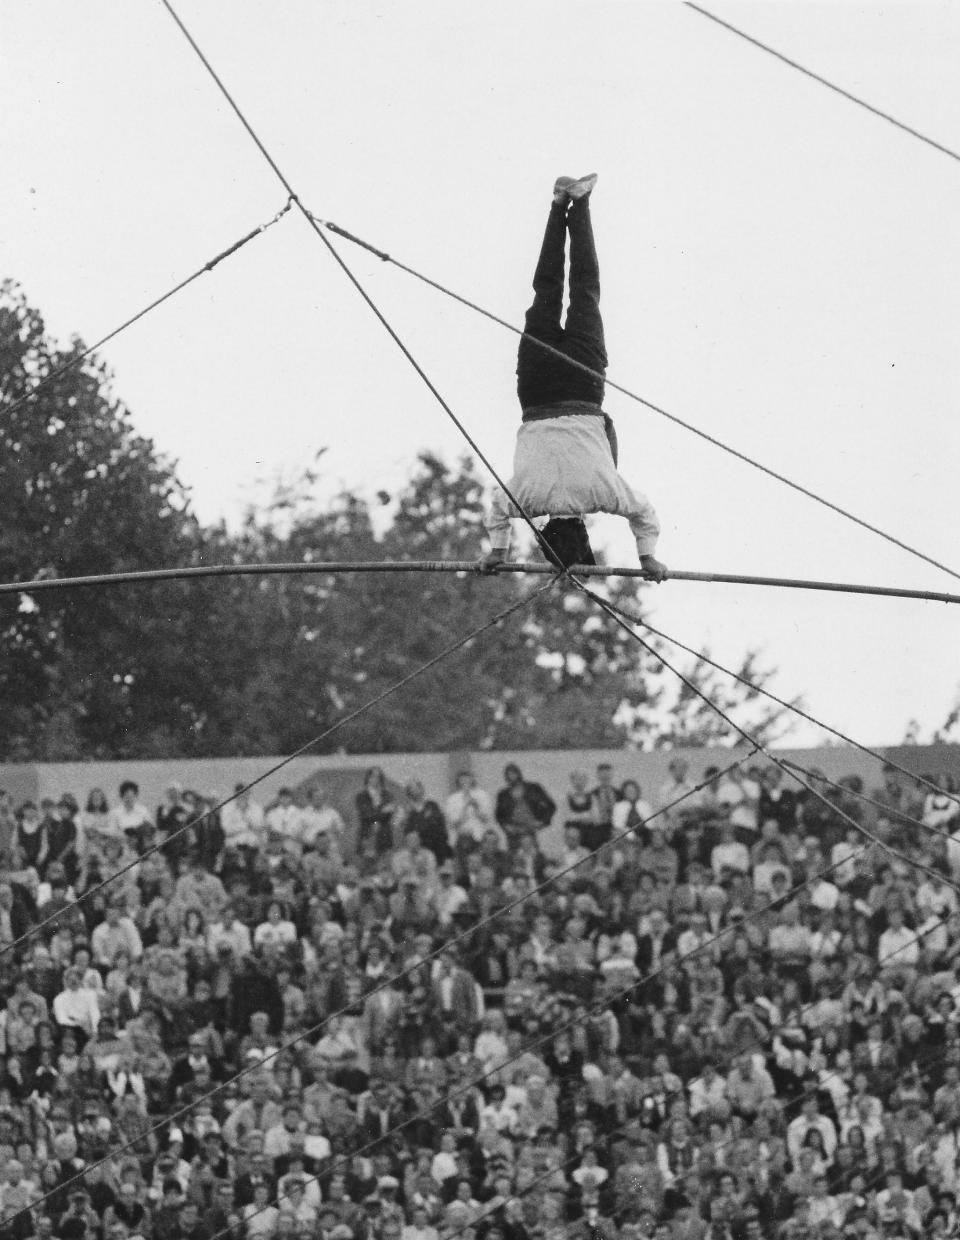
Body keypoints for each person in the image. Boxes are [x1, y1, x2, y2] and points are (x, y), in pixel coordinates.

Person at [480, 174, 666, 578]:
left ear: (583, 529)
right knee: (545, 290)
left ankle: (578, 204)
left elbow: (645, 513)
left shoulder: (605, 494)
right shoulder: (524, 501)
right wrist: (498, 550)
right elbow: (495, 508)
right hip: (536, 389)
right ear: (544, 528)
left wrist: (648, 559)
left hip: (583, 386)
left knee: (585, 290)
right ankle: (557, 204)